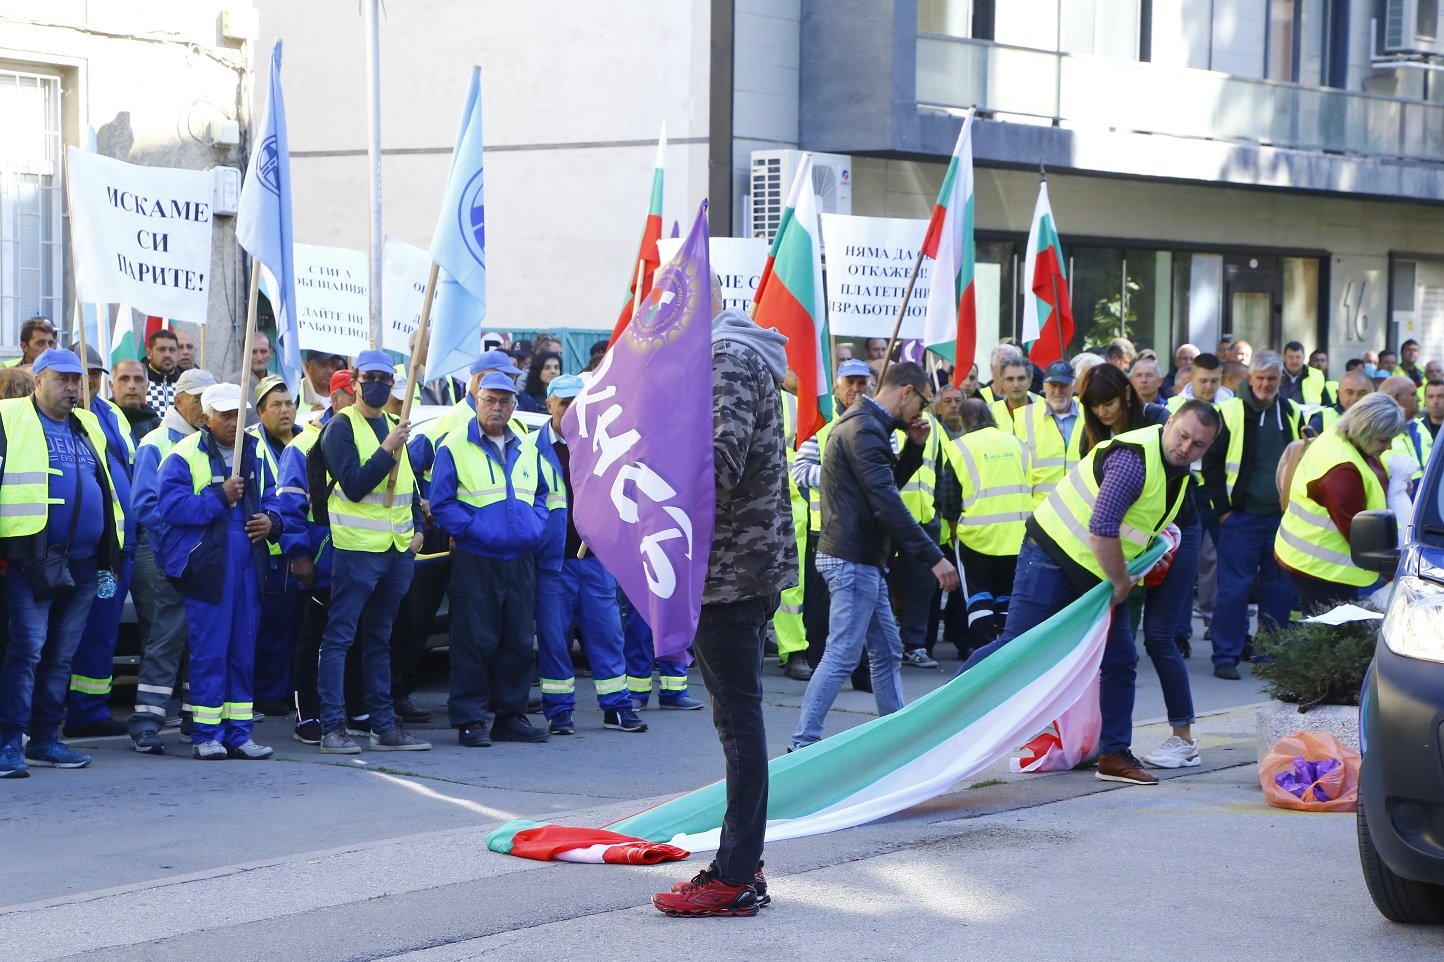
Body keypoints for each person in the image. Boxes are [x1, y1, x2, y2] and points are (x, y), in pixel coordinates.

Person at [962, 400, 1221, 783]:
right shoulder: (1134, 459)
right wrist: (1121, 582)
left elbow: (1137, 526)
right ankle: (941, 711)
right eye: (1182, 435)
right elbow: (1103, 526)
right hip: (1053, 554)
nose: (1186, 447)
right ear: (1170, 425)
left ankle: (1114, 754)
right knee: (1016, 647)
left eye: (1198, 444)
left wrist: (1149, 554)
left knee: (1119, 661)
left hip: (1096, 571)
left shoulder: (1177, 472)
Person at [652, 297, 797, 919]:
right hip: (733, 566)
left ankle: (735, 875)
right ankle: (743, 865)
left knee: (739, 726)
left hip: (732, 570)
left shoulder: (727, 359)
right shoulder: (727, 356)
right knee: (738, 723)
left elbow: (718, 465)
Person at [789, 362, 959, 751]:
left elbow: (882, 486)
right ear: (906, 391)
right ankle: (802, 744)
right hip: (853, 557)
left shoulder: (864, 423)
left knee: (886, 650)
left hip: (860, 556)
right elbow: (885, 500)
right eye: (922, 402)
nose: (922, 412)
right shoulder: (864, 427)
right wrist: (934, 558)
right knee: (843, 653)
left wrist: (913, 450)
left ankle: (895, 739)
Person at [0, 349, 125, 777]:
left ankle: (46, 740)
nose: (73, 387)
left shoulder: (88, 423)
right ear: (37, 380)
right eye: (63, 379)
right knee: (28, 652)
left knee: (60, 656)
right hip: (31, 559)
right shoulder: (9, 418)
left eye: (78, 381)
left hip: (86, 562)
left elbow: (106, 489)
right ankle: (7, 744)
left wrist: (113, 551)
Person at [155, 383, 279, 760]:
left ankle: (239, 734)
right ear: (206, 417)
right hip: (209, 568)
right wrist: (219, 497)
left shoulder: (255, 453)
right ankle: (206, 735)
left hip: (248, 565)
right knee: (210, 653)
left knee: (243, 651)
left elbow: (275, 498)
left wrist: (272, 522)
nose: (232, 422)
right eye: (224, 415)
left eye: (238, 415)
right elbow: (172, 509)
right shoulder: (183, 454)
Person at [431, 371, 555, 747]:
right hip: (476, 558)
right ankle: (470, 720)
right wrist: (474, 529)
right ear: (478, 400)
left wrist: (534, 525)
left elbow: (542, 495)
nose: (497, 408)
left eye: (505, 401)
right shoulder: (454, 445)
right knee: (474, 641)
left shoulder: (528, 447)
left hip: (520, 557)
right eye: (490, 400)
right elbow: (442, 503)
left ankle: (510, 716)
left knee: (517, 641)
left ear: (514, 405)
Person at [315, 350, 430, 754]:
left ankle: (383, 725)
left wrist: (417, 529)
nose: (379, 385)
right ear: (356, 382)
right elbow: (353, 484)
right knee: (340, 638)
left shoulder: (393, 425)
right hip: (357, 551)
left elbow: (410, 488)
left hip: (397, 550)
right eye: (371, 378)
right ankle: (333, 726)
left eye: (386, 378)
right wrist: (387, 449)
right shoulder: (341, 428)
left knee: (380, 639)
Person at [531, 374, 641, 735]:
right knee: (554, 638)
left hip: (595, 559)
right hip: (553, 562)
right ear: (549, 405)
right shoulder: (530, 450)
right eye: (565, 404)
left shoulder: (602, 446)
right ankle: (559, 711)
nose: (573, 411)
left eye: (579, 404)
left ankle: (617, 706)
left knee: (607, 634)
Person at [278, 370, 371, 745]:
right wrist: (300, 553)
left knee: (358, 636)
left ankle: (357, 708)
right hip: (324, 560)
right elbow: (289, 505)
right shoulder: (303, 446)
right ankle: (309, 715)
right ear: (336, 398)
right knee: (315, 639)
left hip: (363, 556)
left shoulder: (369, 436)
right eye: (353, 395)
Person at [126, 368, 216, 753]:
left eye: (207, 400)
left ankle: (194, 720)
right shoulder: (156, 442)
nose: (202, 406)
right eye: (197, 399)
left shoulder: (211, 440)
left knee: (200, 642)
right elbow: (145, 505)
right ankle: (146, 721)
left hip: (205, 561)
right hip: (173, 557)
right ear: (178, 399)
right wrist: (182, 546)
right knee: (165, 639)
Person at [1202, 351, 1302, 680]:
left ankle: (1270, 656)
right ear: (1250, 378)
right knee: (1234, 589)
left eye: (1272, 379)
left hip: (1279, 518)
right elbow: (1211, 464)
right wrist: (1223, 510)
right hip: (1240, 518)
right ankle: (1226, 656)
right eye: (1260, 378)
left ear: (1280, 380)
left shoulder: (1289, 411)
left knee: (1278, 589)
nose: (1265, 384)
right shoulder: (1228, 412)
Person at [62, 347, 140, 738]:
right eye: (79, 374)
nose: (87, 381)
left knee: (103, 630)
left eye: (93, 373)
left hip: (118, 551)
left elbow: (127, 469)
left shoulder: (112, 414)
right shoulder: (64, 418)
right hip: (85, 550)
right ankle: (71, 710)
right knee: (72, 631)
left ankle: (90, 709)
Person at [1276, 393, 1400, 614]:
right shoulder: (1343, 472)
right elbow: (1359, 533)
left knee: (1317, 632)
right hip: (1322, 570)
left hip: (1303, 557)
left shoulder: (1337, 437)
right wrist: (1395, 574)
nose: (1388, 446)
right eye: (1383, 440)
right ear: (1365, 431)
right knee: (1333, 638)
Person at [939, 399, 1029, 654]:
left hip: (975, 537)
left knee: (978, 597)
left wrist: (954, 533)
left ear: (966, 422)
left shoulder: (958, 448)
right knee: (1006, 595)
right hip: (1015, 535)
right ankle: (1007, 646)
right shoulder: (1017, 444)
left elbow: (950, 501)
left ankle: (985, 650)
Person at [247, 375, 303, 716]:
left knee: (297, 627)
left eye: (289, 403)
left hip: (302, 545)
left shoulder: (307, 438)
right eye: (276, 405)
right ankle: (266, 691)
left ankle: (289, 690)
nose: (285, 411)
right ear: (261, 412)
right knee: (270, 628)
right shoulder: (251, 443)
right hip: (269, 551)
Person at [1018, 360, 1081, 505]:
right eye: (1053, 385)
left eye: (1063, 386)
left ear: (1074, 386)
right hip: (1040, 514)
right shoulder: (1023, 418)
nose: (1058, 391)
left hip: (1081, 510)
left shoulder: (1089, 415)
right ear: (1044, 386)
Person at [1380, 374, 1431, 478]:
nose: (1419, 399)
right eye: (1413, 394)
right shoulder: (1378, 435)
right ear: (1397, 398)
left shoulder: (1419, 426)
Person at [110, 358, 161, 441]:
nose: (132, 385)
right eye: (124, 379)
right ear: (111, 385)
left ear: (147, 386)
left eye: (138, 379)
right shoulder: (99, 421)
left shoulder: (158, 428)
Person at [1307, 369, 1372, 434]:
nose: (1354, 398)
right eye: (1349, 392)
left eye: (1361, 393)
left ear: (1372, 395)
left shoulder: (1378, 418)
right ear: (1338, 393)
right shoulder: (1320, 419)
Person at [990, 357, 1038, 428]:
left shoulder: (1045, 410)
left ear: (1030, 381)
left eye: (1021, 378)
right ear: (1002, 382)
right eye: (1010, 379)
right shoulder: (990, 413)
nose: (1016, 385)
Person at [1280, 341, 1331, 407]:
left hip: (1311, 417)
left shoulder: (1316, 375)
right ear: (1284, 357)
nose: (1294, 361)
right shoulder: (1275, 375)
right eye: (1290, 357)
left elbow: (1328, 405)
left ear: (1304, 357)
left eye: (1298, 357)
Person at [144, 329, 182, 413]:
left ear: (178, 353)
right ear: (149, 353)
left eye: (172, 350)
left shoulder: (185, 385)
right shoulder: (139, 384)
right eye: (161, 349)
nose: (167, 355)